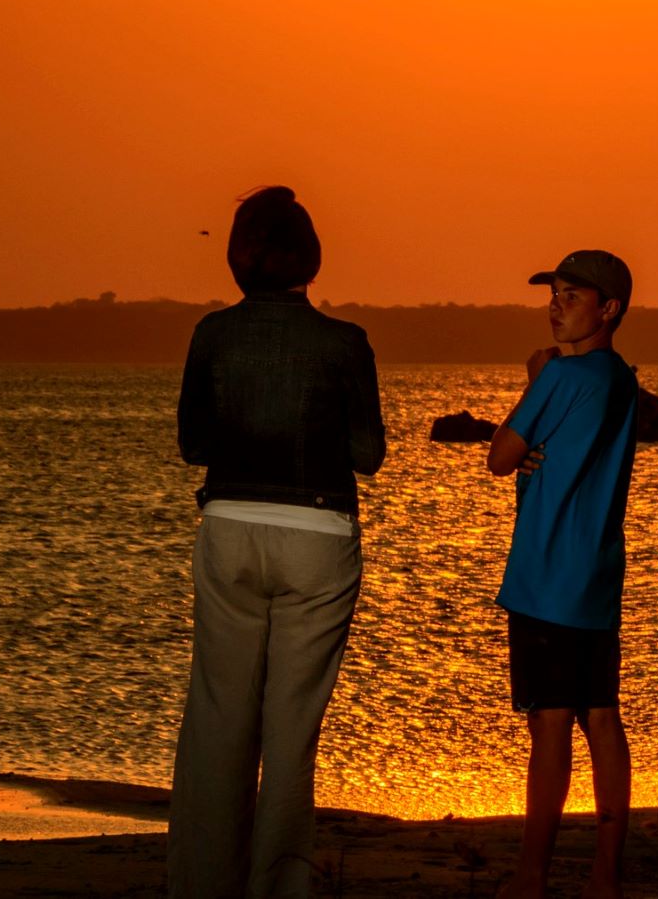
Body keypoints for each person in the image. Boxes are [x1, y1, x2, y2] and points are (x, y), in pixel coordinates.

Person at [170, 186, 386, 899]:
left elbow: (193, 443)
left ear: (240, 257)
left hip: (230, 525)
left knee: (219, 719)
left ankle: (204, 884)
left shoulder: (212, 335)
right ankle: (277, 890)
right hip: (319, 535)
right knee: (291, 731)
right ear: (310, 257)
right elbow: (367, 454)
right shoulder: (345, 343)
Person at [487, 251, 641, 899]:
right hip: (598, 574)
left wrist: (533, 380)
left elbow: (500, 455)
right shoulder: (623, 380)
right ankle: (607, 873)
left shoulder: (561, 376)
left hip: (547, 572)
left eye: (572, 295)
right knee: (600, 713)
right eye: (553, 294)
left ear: (608, 309)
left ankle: (532, 875)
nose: (556, 306)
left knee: (549, 719)